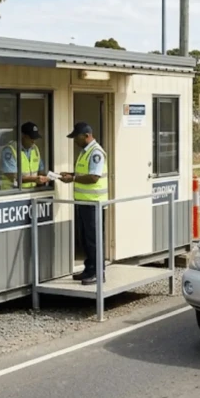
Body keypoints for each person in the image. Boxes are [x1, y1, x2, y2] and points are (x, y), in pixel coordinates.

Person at [59, 122, 108, 285]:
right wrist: (71, 174)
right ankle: (89, 269)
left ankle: (98, 273)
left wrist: (72, 178)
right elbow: (83, 173)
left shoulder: (96, 153)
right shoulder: (84, 152)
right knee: (86, 240)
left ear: (87, 135)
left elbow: (94, 177)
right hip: (84, 203)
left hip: (94, 204)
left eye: (77, 137)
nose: (75, 141)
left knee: (94, 240)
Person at [1, 122, 49, 190]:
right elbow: (12, 177)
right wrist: (35, 179)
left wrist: (47, 177)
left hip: (31, 191)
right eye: (31, 138)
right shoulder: (10, 150)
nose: (33, 141)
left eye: (35, 138)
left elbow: (40, 170)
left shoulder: (35, 149)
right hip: (12, 193)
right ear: (23, 136)